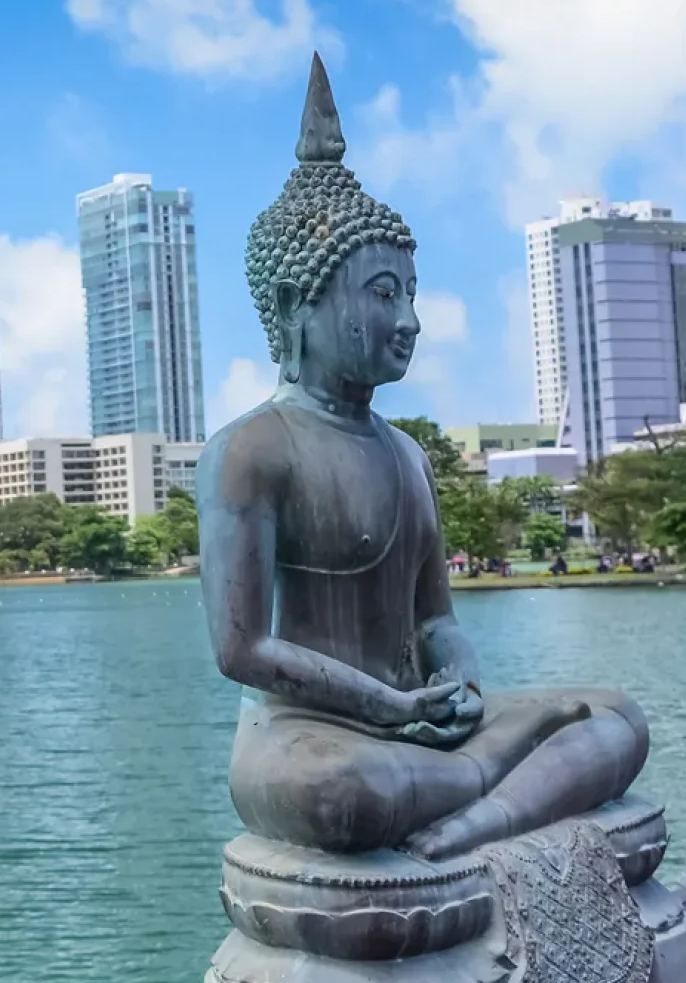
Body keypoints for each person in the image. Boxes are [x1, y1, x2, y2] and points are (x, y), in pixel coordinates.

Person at [198, 55, 649, 863]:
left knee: (614, 717)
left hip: (419, 726)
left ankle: (480, 818)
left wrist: (463, 685)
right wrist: (385, 707)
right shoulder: (251, 448)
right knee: (342, 796)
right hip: (309, 740)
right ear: (298, 305)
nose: (409, 319)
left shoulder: (407, 454)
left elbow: (435, 618)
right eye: (381, 294)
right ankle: (503, 791)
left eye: (411, 293)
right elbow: (242, 651)